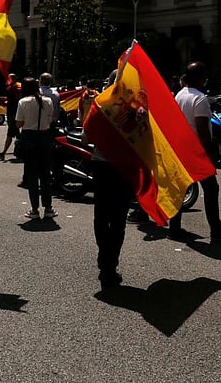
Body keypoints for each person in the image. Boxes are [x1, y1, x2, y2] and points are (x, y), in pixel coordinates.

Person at [168, 62, 221, 242]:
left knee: (180, 188)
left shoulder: (180, 95)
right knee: (211, 189)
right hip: (195, 151)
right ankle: (216, 230)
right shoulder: (200, 98)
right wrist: (208, 154)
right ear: (201, 78)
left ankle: (174, 228)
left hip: (180, 148)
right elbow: (202, 129)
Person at [88, 69, 134, 290]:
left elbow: (86, 136)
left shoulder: (99, 103)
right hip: (124, 166)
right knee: (118, 218)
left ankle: (104, 256)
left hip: (102, 164)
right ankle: (109, 263)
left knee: (101, 214)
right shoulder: (136, 107)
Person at [16, 77, 55, 220]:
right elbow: (50, 120)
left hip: (29, 139)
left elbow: (19, 124)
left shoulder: (23, 102)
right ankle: (49, 208)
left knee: (32, 177)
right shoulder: (48, 101)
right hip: (44, 138)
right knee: (45, 175)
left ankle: (34, 209)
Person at [0, 74, 22, 160]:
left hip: (12, 113)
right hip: (15, 112)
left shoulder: (12, 88)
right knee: (17, 134)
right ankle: (22, 151)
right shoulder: (15, 87)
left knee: (10, 133)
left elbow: (15, 99)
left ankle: (3, 153)